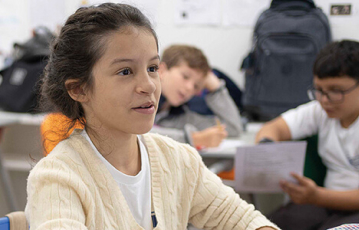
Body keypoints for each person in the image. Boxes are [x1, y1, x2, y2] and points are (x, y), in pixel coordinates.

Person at [25, 3, 278, 230]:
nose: (149, 85)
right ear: (79, 89)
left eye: (153, 68)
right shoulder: (57, 179)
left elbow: (240, 219)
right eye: (125, 71)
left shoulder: (178, 159)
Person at [255, 40, 359, 230]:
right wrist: (267, 150)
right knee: (268, 224)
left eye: (336, 91)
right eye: (319, 90)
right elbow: (274, 128)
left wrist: (316, 196)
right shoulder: (323, 109)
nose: (324, 100)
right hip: (331, 201)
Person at [154, 44, 243, 148]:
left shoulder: (183, 116)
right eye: (185, 76)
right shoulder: (139, 97)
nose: (190, 88)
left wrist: (216, 89)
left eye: (196, 86)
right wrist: (193, 139)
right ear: (161, 70)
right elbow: (136, 134)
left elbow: (233, 129)